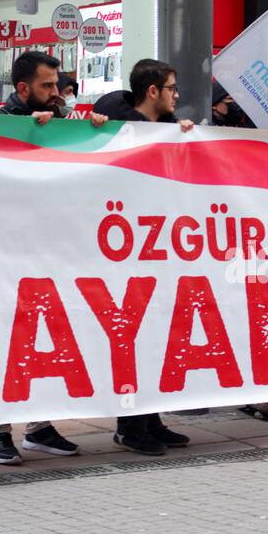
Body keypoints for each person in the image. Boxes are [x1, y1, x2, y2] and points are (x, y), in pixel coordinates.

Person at [0, 52, 83, 464]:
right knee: (4, 339)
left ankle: (40, 426)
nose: (57, 93)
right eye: (47, 86)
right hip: (3, 252)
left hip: (46, 250)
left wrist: (90, 132)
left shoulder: (55, 123)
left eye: (57, 85)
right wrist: (26, 135)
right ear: (22, 89)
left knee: (45, 337)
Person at [89, 58, 194, 456]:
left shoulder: (167, 129)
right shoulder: (117, 123)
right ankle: (130, 426)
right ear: (152, 91)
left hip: (156, 249)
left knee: (155, 339)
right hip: (125, 249)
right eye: (171, 88)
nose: (177, 96)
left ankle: (151, 419)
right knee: (131, 339)